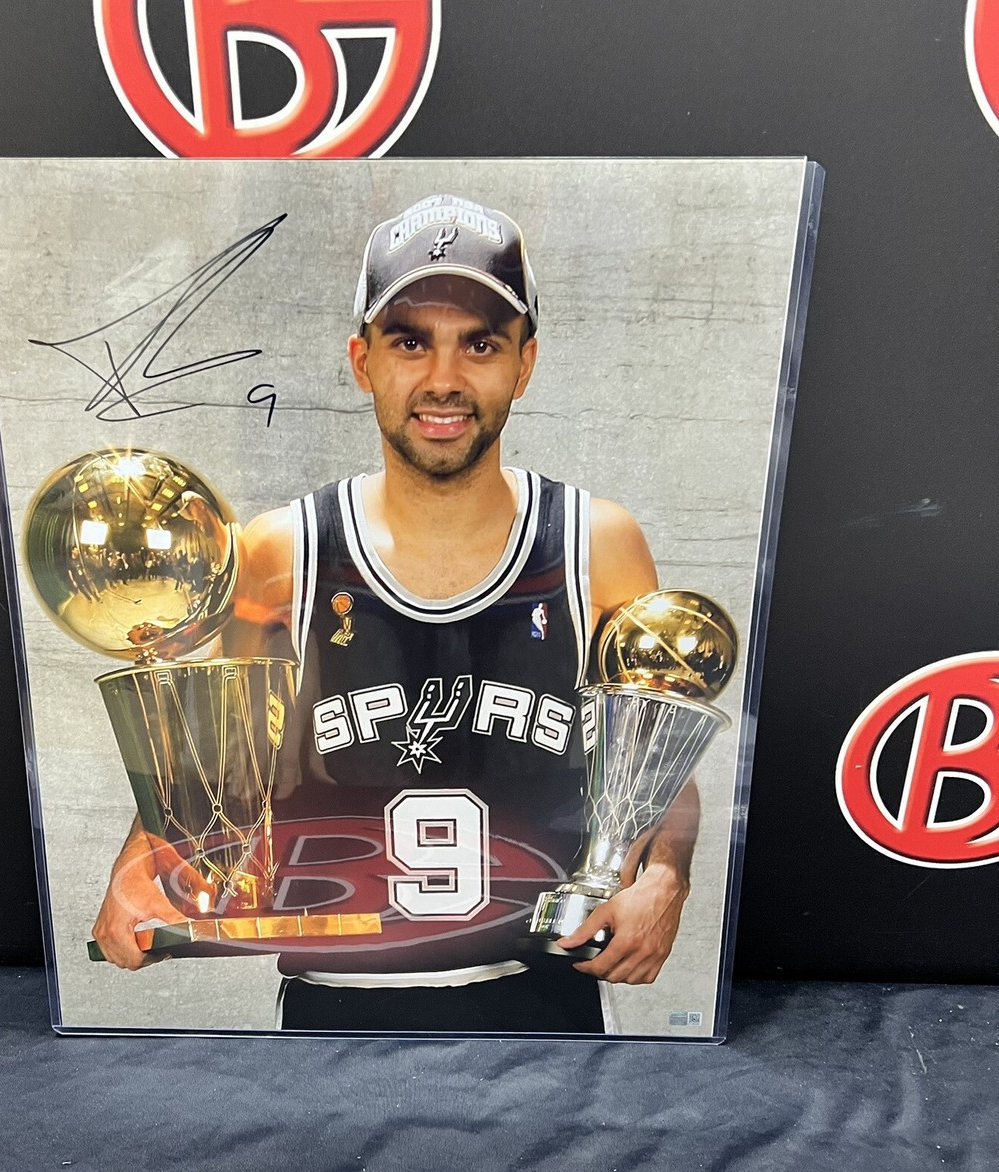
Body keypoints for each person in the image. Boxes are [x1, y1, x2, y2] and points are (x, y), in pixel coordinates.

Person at [91, 194, 700, 1034]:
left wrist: (666, 879)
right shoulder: (281, 554)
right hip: (332, 1013)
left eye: (479, 344)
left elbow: (658, 762)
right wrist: (140, 863)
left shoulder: (596, 545)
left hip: (544, 1012)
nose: (443, 380)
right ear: (361, 360)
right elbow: (214, 771)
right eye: (409, 341)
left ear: (524, 364)